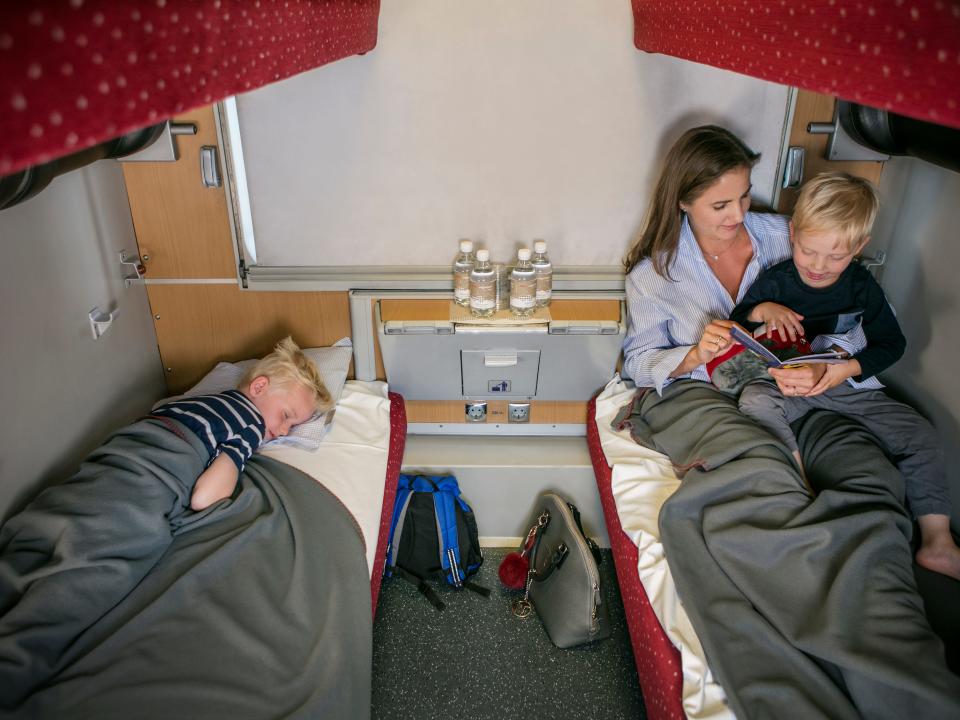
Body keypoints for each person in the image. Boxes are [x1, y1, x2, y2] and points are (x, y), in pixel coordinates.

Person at [620, 125, 960, 719]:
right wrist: (694, 353)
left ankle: (892, 595)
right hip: (708, 390)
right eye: (720, 204)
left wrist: (829, 367)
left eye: (745, 196)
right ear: (682, 199)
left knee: (868, 474)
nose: (739, 214)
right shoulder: (655, 276)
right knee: (758, 474)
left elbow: (856, 321)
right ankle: (796, 594)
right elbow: (638, 361)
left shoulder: (790, 237)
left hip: (806, 388)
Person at [729, 172, 960, 580]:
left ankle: (937, 542)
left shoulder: (860, 287)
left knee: (920, 433)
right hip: (789, 386)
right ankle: (801, 488)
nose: (819, 266)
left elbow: (892, 344)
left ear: (858, 248)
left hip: (841, 383)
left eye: (835, 256)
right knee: (753, 401)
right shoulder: (777, 280)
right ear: (794, 235)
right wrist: (763, 310)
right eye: (808, 251)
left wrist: (845, 370)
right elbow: (736, 325)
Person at [150, 336, 331, 510]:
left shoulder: (197, 401)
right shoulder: (251, 426)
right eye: (285, 416)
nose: (284, 431)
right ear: (258, 387)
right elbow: (203, 499)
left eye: (292, 426)